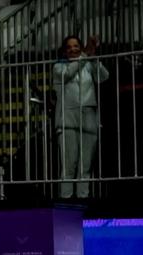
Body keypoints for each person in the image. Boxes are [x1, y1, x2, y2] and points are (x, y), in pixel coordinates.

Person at [53, 35, 109, 199]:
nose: (73, 49)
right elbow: (67, 75)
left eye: (76, 46)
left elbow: (104, 76)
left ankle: (84, 199)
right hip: (67, 120)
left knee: (85, 165)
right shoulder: (58, 67)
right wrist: (85, 55)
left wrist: (92, 57)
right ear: (64, 51)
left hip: (89, 116)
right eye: (69, 47)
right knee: (69, 165)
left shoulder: (87, 64)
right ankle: (66, 200)